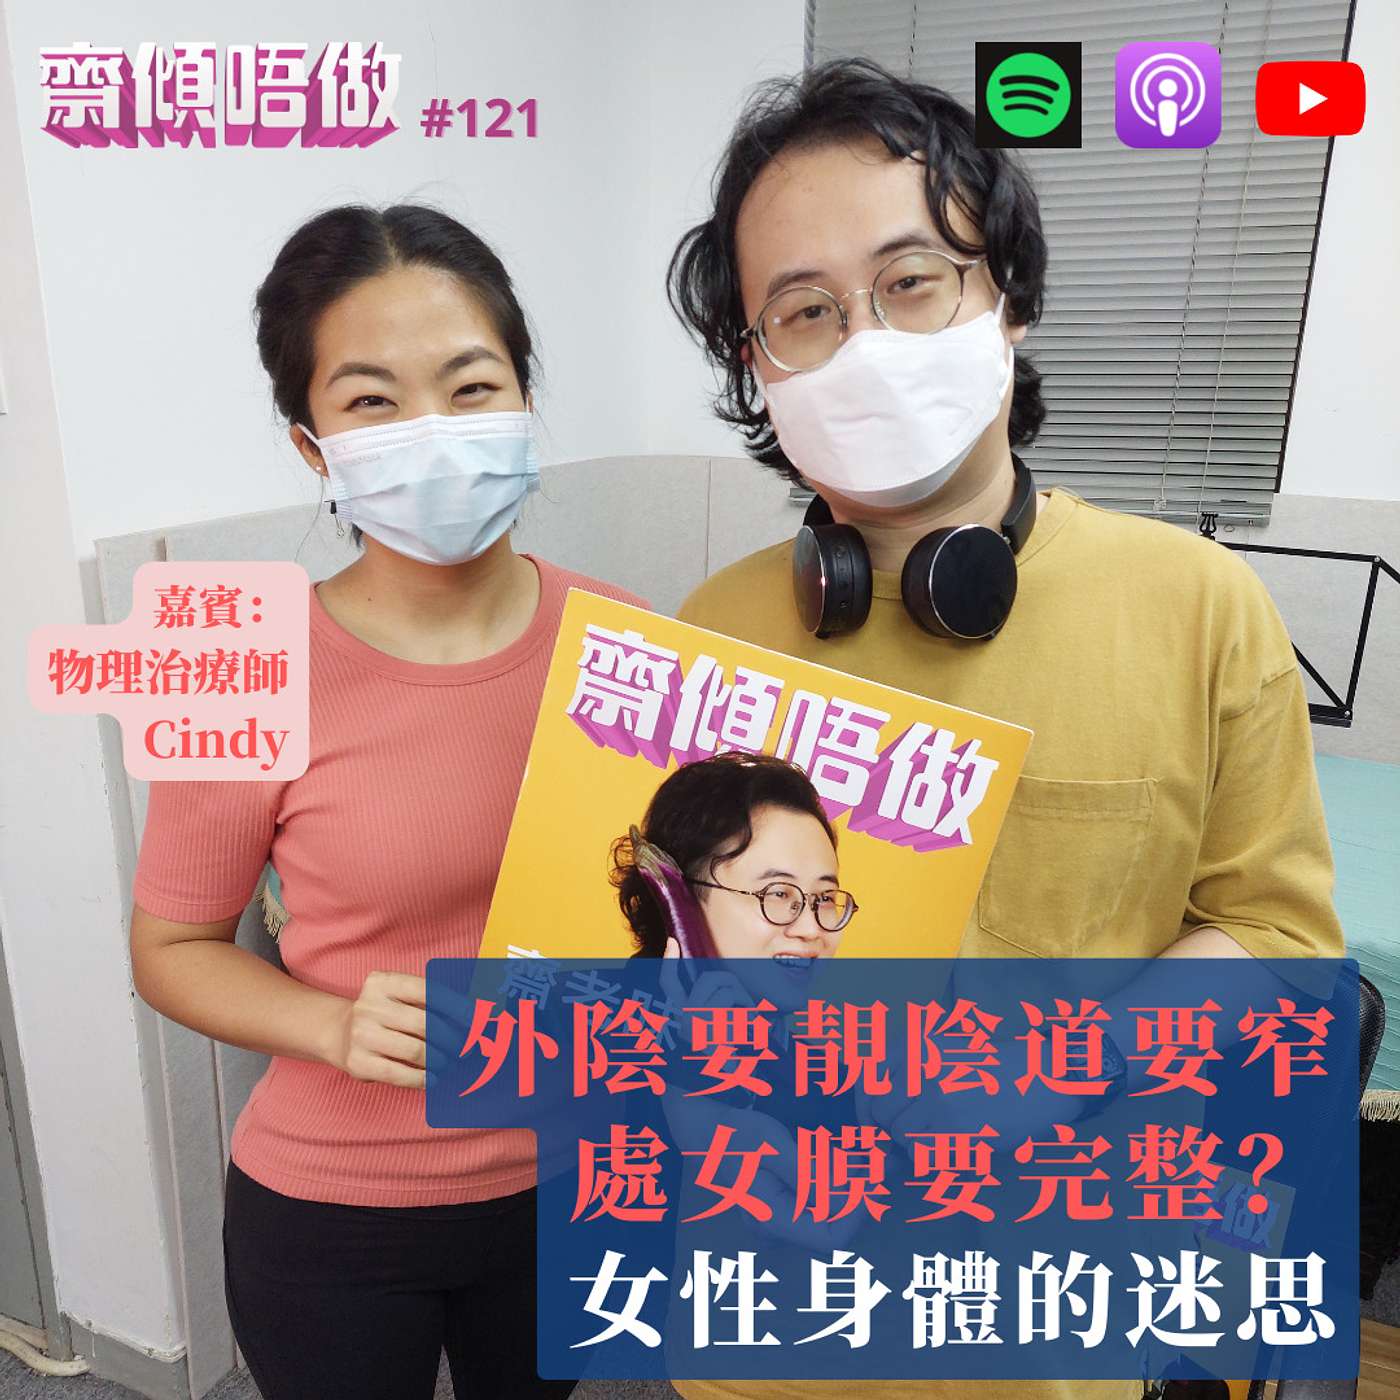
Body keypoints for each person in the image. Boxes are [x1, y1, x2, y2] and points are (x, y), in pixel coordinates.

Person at [664, 57, 1345, 1400]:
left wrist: (1061, 1063)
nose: (863, 341)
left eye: (911, 282)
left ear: (1006, 299)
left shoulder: (1198, 604)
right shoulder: (712, 630)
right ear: (757, 364)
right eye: (804, 310)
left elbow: (1275, 937)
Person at [129, 202, 646, 1400]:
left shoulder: (626, 641)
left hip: (569, 1182)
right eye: (372, 400)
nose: (434, 433)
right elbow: (169, 948)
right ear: (313, 446)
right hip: (334, 1209)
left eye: (470, 387)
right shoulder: (245, 669)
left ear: (523, 399)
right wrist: (327, 1023)